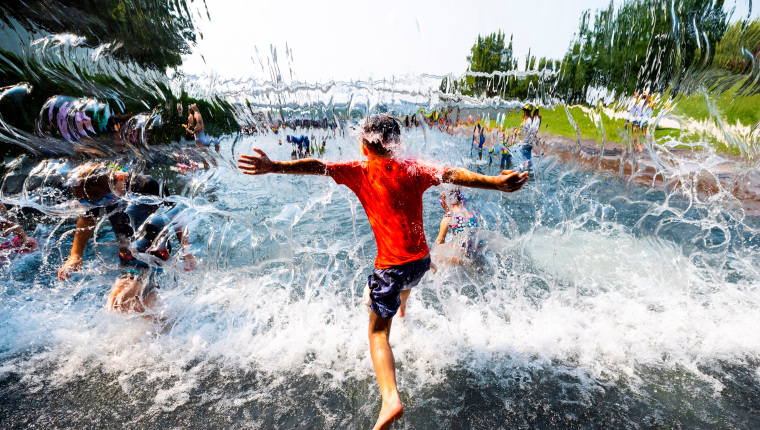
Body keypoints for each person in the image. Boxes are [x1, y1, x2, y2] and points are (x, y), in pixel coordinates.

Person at [237, 115, 528, 430]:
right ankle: (402, 305)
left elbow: (317, 165)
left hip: (391, 268)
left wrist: (273, 166)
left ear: (364, 145)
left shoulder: (359, 171)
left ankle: (390, 398)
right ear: (397, 143)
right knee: (407, 278)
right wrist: (496, 183)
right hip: (420, 262)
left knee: (377, 333)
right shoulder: (415, 169)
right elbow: (452, 174)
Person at [58, 163, 196, 316]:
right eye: (100, 203)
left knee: (119, 300)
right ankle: (169, 330)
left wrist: (187, 251)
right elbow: (87, 219)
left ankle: (165, 322)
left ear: (121, 178)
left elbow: (176, 216)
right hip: (127, 254)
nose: (109, 203)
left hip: (152, 252)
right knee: (145, 303)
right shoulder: (98, 186)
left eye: (109, 198)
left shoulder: (146, 185)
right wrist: (75, 255)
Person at [434, 188, 483, 265]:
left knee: (437, 256)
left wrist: (433, 255)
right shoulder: (475, 214)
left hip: (461, 257)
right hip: (476, 253)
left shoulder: (448, 217)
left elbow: (439, 241)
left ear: (445, 202)